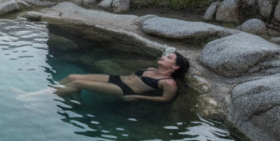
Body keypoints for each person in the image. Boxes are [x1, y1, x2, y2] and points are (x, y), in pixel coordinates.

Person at [18, 52, 190, 103]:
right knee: (72, 76)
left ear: (175, 67)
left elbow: (165, 99)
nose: (163, 57)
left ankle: (32, 97)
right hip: (116, 78)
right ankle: (43, 94)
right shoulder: (151, 68)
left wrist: (137, 97)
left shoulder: (169, 83)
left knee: (78, 83)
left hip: (125, 89)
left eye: (168, 58)